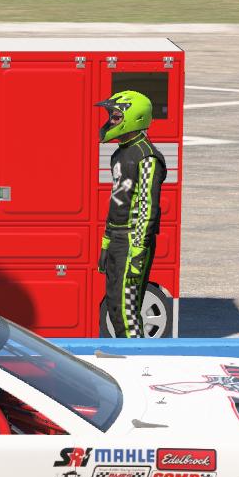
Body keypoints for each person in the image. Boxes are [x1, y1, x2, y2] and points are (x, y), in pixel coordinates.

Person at [95, 91, 166, 337]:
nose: (111, 122)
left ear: (134, 117)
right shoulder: (119, 153)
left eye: (116, 117)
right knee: (114, 307)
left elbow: (148, 206)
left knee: (127, 309)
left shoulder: (147, 156)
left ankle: (139, 359)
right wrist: (105, 242)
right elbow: (117, 202)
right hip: (116, 237)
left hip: (132, 239)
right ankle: (127, 356)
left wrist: (138, 250)